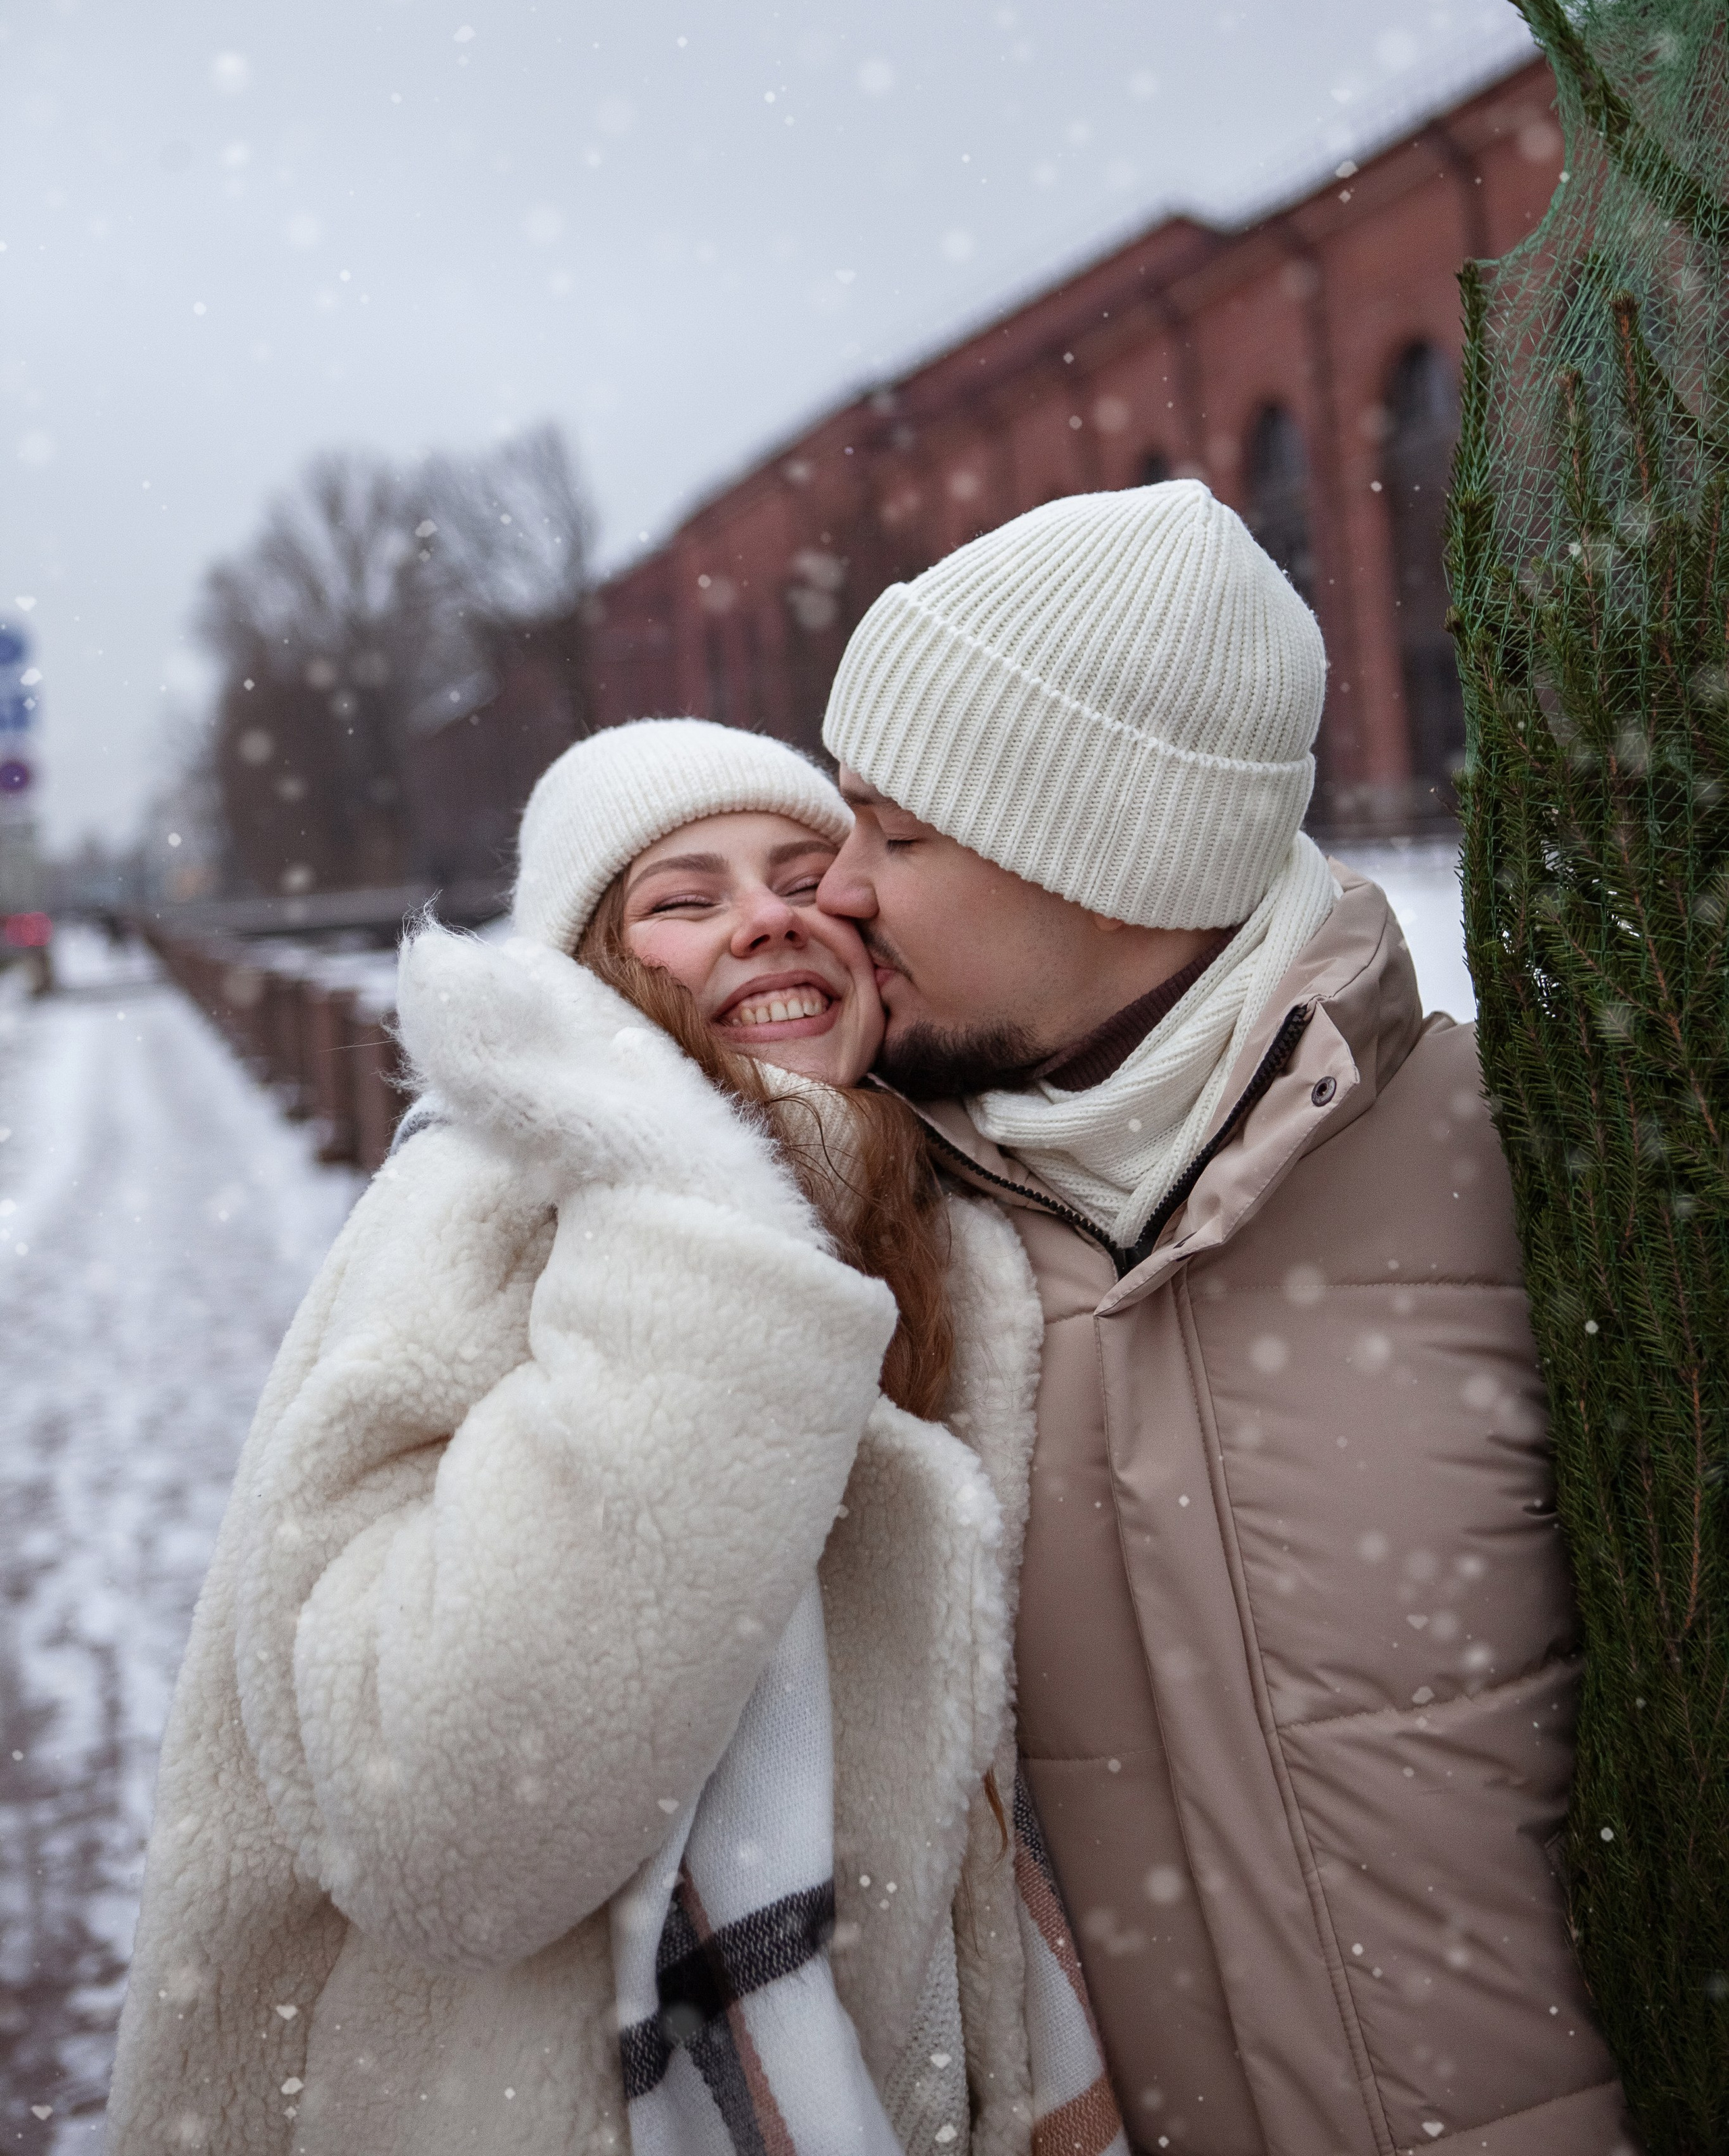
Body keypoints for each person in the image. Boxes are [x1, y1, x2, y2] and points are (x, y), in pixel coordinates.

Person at [106, 720, 1125, 2156]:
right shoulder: (476, 1215)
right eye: (685, 899)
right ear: (594, 979)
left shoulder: (953, 1230)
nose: (766, 919)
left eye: (798, 876)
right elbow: (447, 1833)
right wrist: (701, 1261)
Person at [817, 483, 1635, 2156]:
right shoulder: (869, 1246)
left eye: (895, 837)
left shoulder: (1538, 1179)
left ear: (1108, 861)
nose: (837, 891)